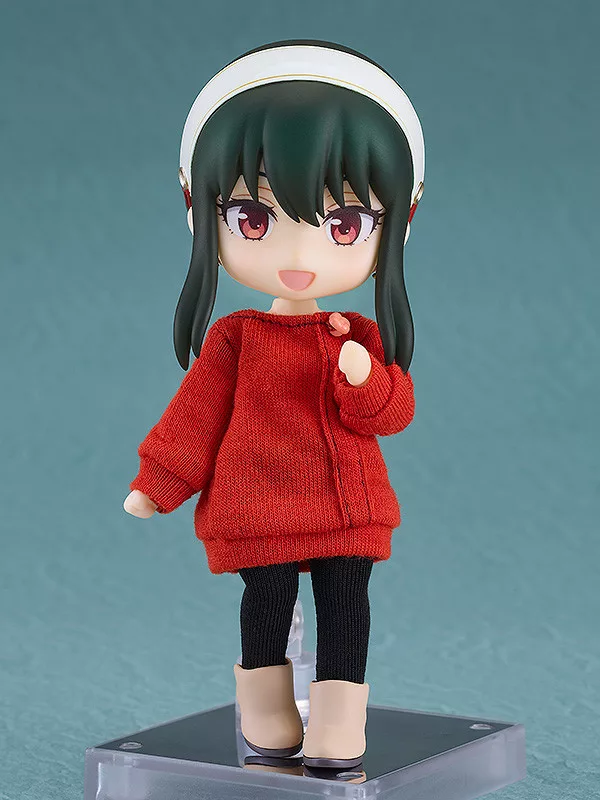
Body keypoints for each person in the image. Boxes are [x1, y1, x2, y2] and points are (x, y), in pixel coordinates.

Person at [124, 39, 424, 769]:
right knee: (265, 603)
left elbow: (391, 413)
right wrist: (158, 482)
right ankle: (265, 710)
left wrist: (366, 380)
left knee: (345, 603)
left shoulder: (357, 334)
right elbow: (195, 417)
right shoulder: (237, 338)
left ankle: (339, 718)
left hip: (346, 504)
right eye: (253, 218)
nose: (300, 255)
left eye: (343, 225)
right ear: (199, 209)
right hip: (258, 503)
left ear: (400, 220)